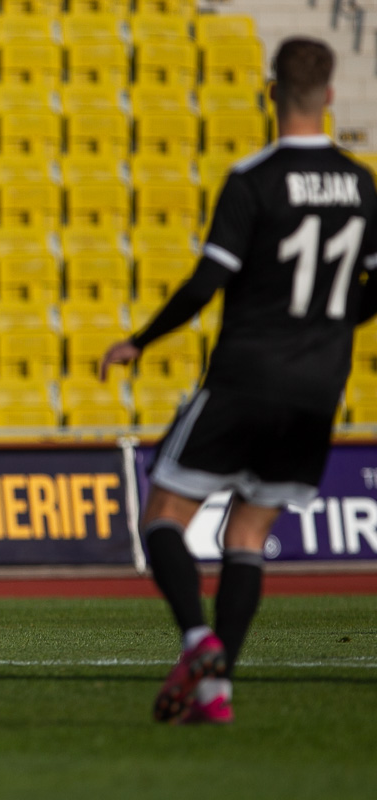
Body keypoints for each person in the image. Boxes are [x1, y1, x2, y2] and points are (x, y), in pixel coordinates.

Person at [101, 38, 377, 724]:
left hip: (247, 375)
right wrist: (333, 323)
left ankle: (199, 641)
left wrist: (140, 340)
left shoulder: (254, 178)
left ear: (271, 93)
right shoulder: (361, 183)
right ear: (330, 96)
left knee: (163, 516)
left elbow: (207, 282)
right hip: (318, 388)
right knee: (248, 536)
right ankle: (216, 692)